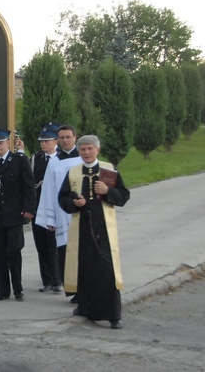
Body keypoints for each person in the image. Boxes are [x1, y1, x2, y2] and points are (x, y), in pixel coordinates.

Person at [58, 135, 130, 329]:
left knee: (106, 270)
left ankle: (113, 315)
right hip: (82, 227)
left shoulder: (109, 169)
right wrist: (74, 203)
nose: (86, 153)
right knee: (85, 267)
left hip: (103, 227)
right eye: (83, 149)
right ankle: (85, 307)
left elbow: (123, 196)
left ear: (97, 150)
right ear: (79, 151)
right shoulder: (73, 172)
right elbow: (63, 198)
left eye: (90, 149)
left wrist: (108, 191)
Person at [0, 128, 36, 301]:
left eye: (0, 143)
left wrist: (29, 209)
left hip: (15, 213)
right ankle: (3, 291)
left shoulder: (19, 161)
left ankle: (18, 288)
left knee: (13, 251)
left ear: (8, 143)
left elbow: (29, 186)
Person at [35, 124, 82, 299]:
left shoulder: (83, 158)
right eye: (61, 137)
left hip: (82, 212)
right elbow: (47, 191)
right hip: (62, 214)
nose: (65, 140)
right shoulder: (54, 162)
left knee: (82, 253)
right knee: (65, 253)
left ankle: (85, 290)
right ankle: (72, 290)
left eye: (68, 137)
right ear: (58, 140)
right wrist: (50, 218)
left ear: (75, 137)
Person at [30, 123, 63, 293]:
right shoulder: (36, 159)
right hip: (39, 207)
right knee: (41, 244)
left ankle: (58, 280)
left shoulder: (61, 158)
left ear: (55, 141)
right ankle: (47, 280)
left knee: (55, 244)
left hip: (56, 207)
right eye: (42, 141)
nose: (44, 144)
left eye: (47, 140)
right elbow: (30, 183)